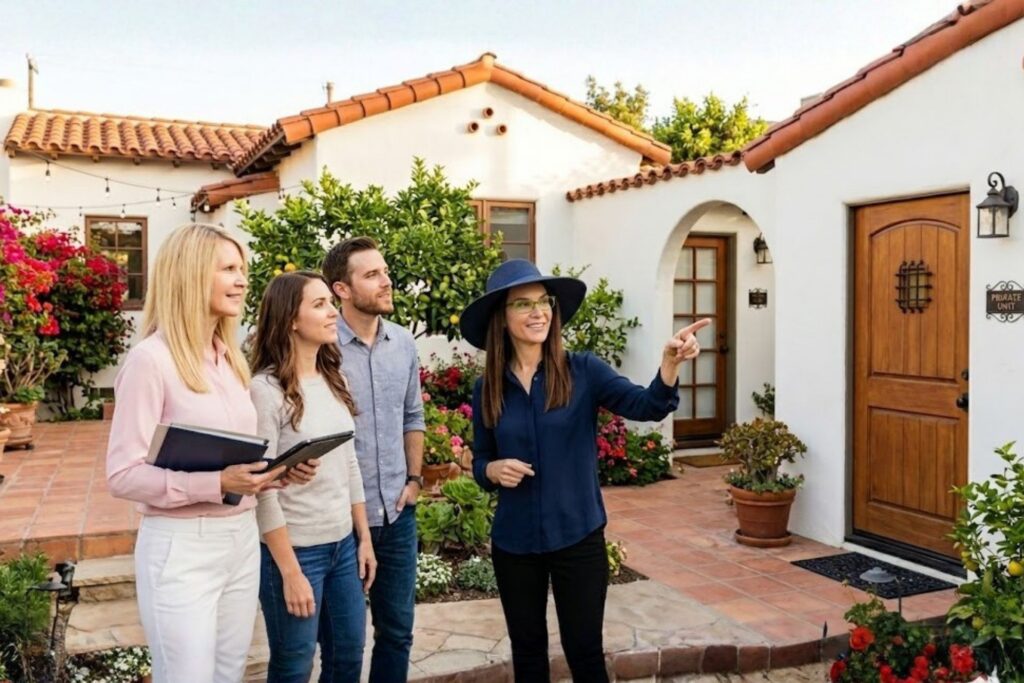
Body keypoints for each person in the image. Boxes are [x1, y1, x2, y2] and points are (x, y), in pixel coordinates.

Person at [460, 259, 708, 683]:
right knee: (529, 654)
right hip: (515, 542)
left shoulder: (583, 371)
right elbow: (481, 460)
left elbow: (646, 406)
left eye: (544, 302)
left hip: (578, 536)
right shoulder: (489, 386)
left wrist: (669, 365)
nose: (538, 312)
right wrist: (493, 469)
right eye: (524, 304)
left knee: (585, 653)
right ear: (501, 317)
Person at [106, 223, 295, 683]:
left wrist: (271, 474)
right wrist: (215, 484)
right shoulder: (151, 361)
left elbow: (234, 458)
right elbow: (122, 475)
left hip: (240, 540)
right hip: (180, 547)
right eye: (228, 269)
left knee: (229, 674)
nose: (242, 279)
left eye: (242, 268)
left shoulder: (231, 359)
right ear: (191, 275)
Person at [249, 271, 377, 683]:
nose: (332, 313)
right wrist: (289, 571)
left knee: (347, 659)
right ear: (290, 319)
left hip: (342, 546)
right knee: (293, 666)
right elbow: (260, 488)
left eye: (329, 302)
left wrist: (363, 538)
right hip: (296, 550)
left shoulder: (332, 379)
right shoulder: (265, 391)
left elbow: (349, 463)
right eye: (319, 304)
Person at [322, 236, 425, 683]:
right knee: (343, 648)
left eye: (384, 271)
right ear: (341, 289)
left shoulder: (402, 343)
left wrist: (416, 479)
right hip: (342, 519)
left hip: (398, 513)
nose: (386, 282)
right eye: (372, 275)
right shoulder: (321, 345)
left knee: (398, 633)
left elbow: (412, 414)